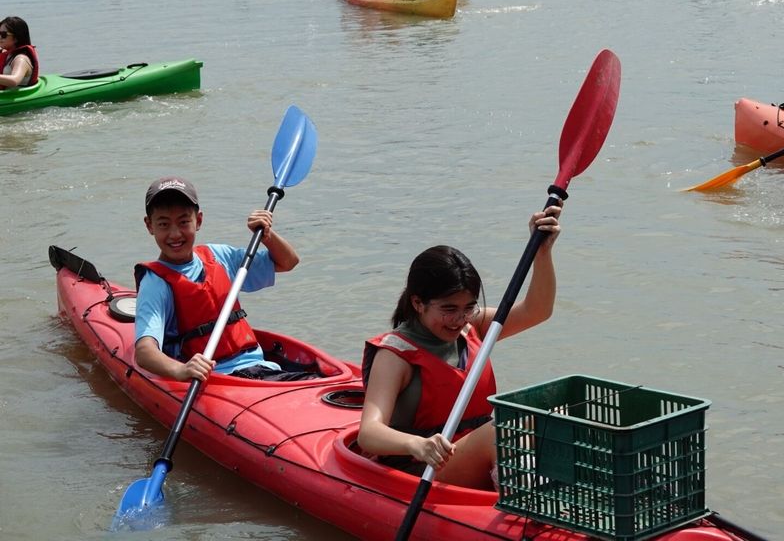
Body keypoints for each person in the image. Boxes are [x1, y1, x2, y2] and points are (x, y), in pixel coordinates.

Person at [358, 205, 562, 489]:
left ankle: (542, 491)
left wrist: (542, 252)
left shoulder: (472, 326)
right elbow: (368, 433)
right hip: (420, 467)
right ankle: (530, 504)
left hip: (468, 455)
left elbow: (537, 310)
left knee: (539, 417)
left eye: (468, 307)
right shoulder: (395, 355)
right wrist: (417, 444)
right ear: (418, 303)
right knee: (498, 431)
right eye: (448, 309)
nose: (458, 319)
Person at [133, 176, 315, 382]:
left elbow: (288, 262)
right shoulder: (155, 282)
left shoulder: (220, 256)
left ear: (198, 220)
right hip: (215, 380)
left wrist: (268, 236)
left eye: (184, 222)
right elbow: (144, 352)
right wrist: (181, 371)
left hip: (262, 369)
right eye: (164, 224)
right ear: (150, 226)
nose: (175, 234)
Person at [0, 16, 39, 90]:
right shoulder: (8, 54)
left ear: (16, 38)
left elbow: (14, 80)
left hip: (18, 97)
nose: (0, 37)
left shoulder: (21, 59)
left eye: (3, 35)